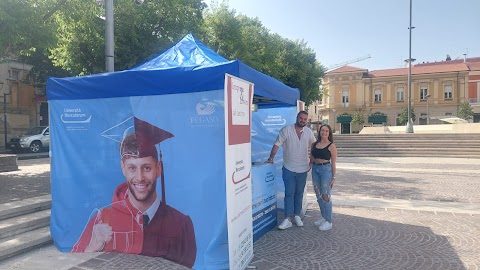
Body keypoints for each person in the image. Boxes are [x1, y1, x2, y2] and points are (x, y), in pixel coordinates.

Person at [72, 117, 196, 268]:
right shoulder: (103, 219)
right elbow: (77, 264)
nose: (140, 177)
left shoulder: (181, 224)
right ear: (123, 168)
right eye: (132, 168)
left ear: (158, 169)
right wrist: (92, 246)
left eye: (147, 168)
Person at [267, 111, 316, 230]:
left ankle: (297, 216)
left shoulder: (309, 132)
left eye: (305, 119)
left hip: (303, 169)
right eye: (301, 118)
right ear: (297, 118)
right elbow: (277, 144)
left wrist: (311, 161)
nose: (302, 120)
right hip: (288, 168)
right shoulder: (286, 130)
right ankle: (288, 218)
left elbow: (314, 147)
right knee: (289, 193)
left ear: (307, 120)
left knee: (299, 193)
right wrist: (271, 157)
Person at [310, 124, 337, 231]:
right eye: (322, 130)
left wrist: (334, 177)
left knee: (325, 195)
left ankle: (329, 221)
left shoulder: (331, 146)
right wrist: (309, 166)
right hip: (315, 170)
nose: (324, 133)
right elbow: (311, 157)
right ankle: (323, 216)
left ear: (329, 133)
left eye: (326, 131)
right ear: (319, 132)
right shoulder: (314, 144)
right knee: (318, 195)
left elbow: (333, 163)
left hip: (326, 170)